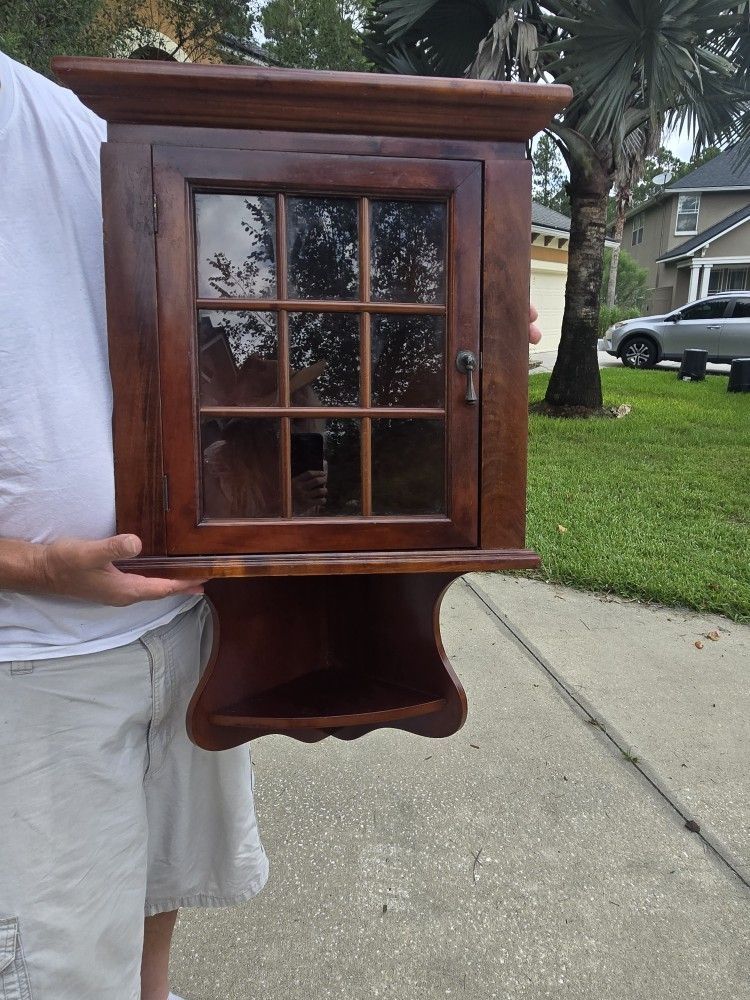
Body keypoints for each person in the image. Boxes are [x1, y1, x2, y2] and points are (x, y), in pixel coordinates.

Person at [0, 47, 542, 1000]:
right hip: (32, 660)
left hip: (196, 623)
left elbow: (207, 333)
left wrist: (462, 312)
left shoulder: (75, 119)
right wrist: (29, 564)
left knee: (151, 909)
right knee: (55, 966)